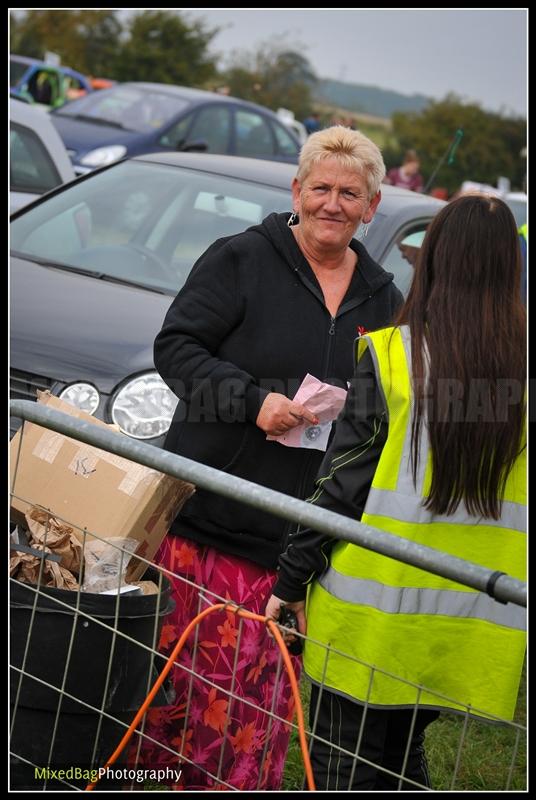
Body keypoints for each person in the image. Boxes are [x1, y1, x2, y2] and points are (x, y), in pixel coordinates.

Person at [132, 126, 403, 790]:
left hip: (293, 556)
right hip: (206, 534)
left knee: (251, 731)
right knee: (167, 716)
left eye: (350, 193)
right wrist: (251, 401)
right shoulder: (242, 259)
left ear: (372, 207)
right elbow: (177, 348)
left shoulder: (385, 300)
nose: (332, 204)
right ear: (296, 192)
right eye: (321, 189)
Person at [265, 194, 527, 790]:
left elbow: (342, 484)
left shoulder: (395, 356)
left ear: (431, 261)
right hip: (465, 616)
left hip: (370, 611)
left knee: (341, 762)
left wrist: (290, 580)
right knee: (403, 756)